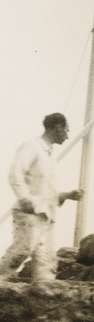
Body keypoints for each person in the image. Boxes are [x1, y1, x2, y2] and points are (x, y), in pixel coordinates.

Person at [0, 113, 83, 281]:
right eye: (66, 130)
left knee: (46, 262)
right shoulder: (32, 146)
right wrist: (24, 198)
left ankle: (44, 301)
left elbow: (46, 192)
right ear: (57, 127)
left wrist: (67, 195)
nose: (67, 135)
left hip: (45, 217)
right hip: (30, 214)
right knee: (20, 251)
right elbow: (15, 173)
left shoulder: (50, 155)